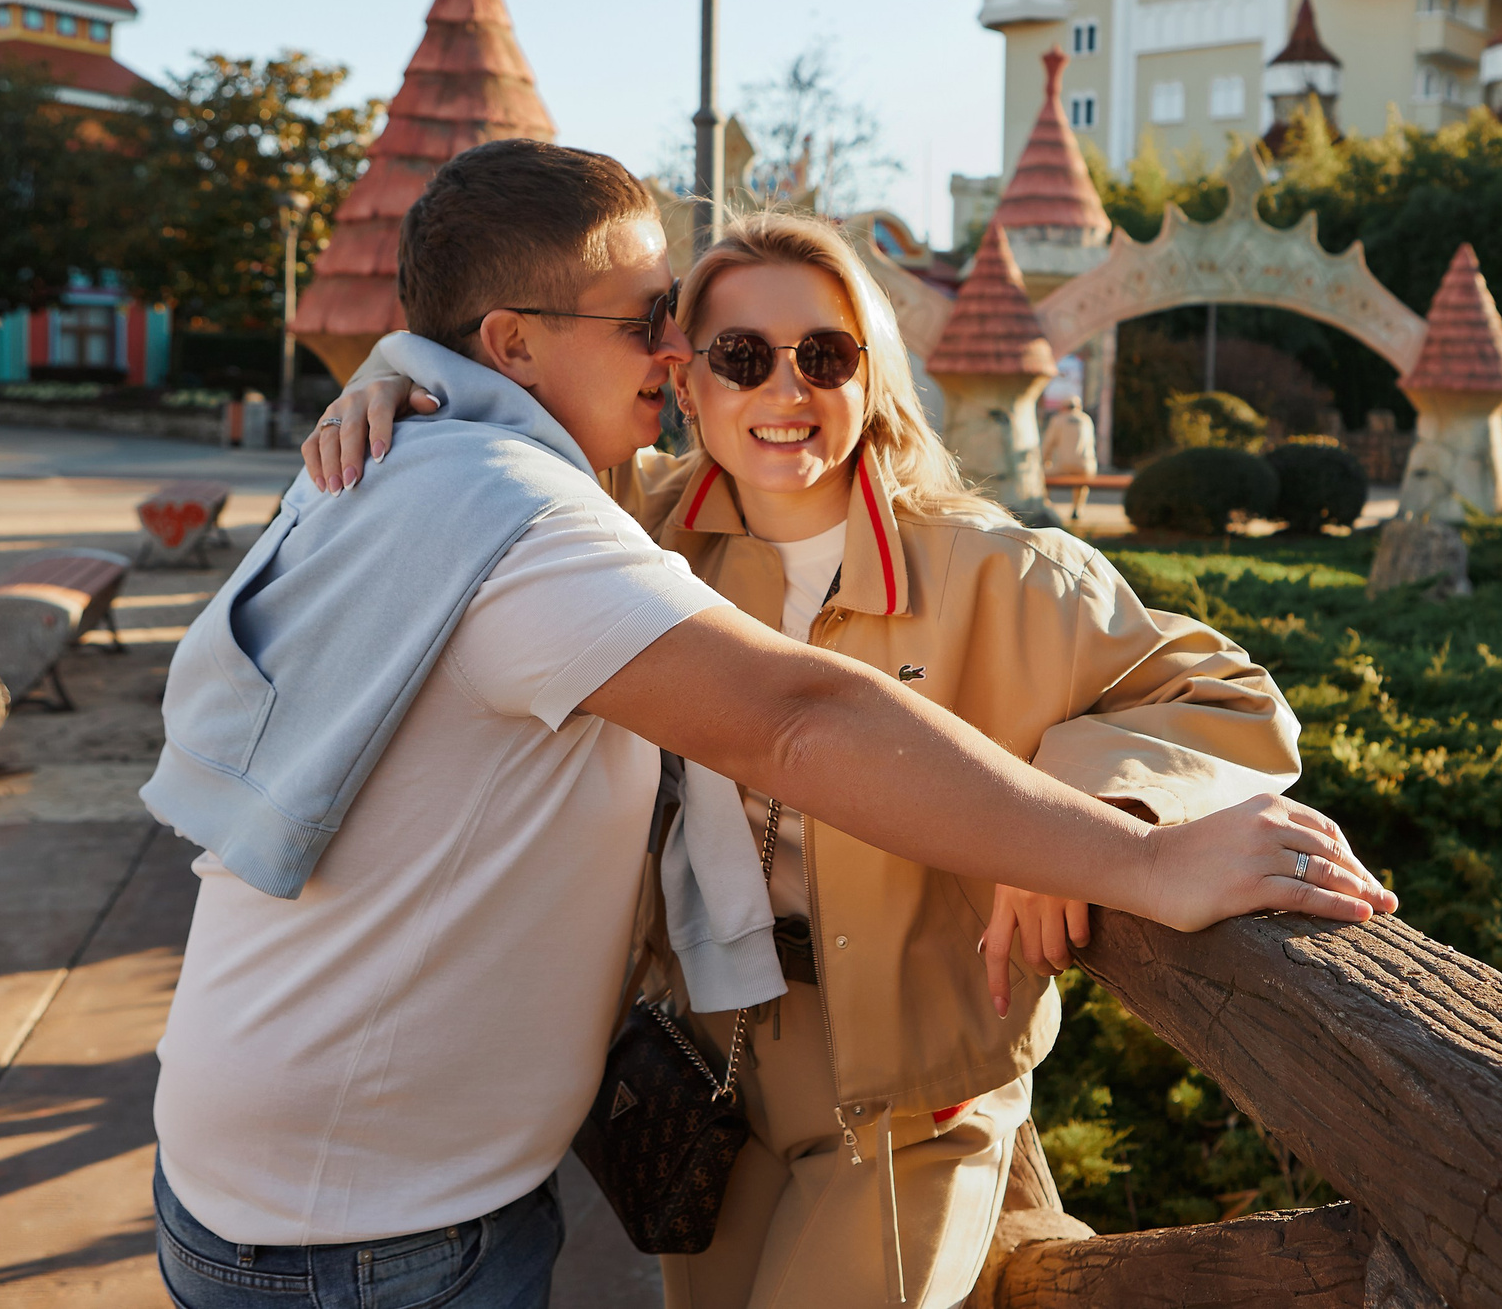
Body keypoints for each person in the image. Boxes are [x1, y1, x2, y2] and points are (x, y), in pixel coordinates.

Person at [148, 140, 1391, 1309]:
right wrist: (397, 371)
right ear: (683, 371)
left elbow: (1221, 693)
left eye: (828, 355)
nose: (783, 387)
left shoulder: (994, 570)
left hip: (909, 1095)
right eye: (722, 348)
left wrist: (1092, 815)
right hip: (714, 1080)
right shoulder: (634, 534)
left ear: (872, 369)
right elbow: (790, 716)